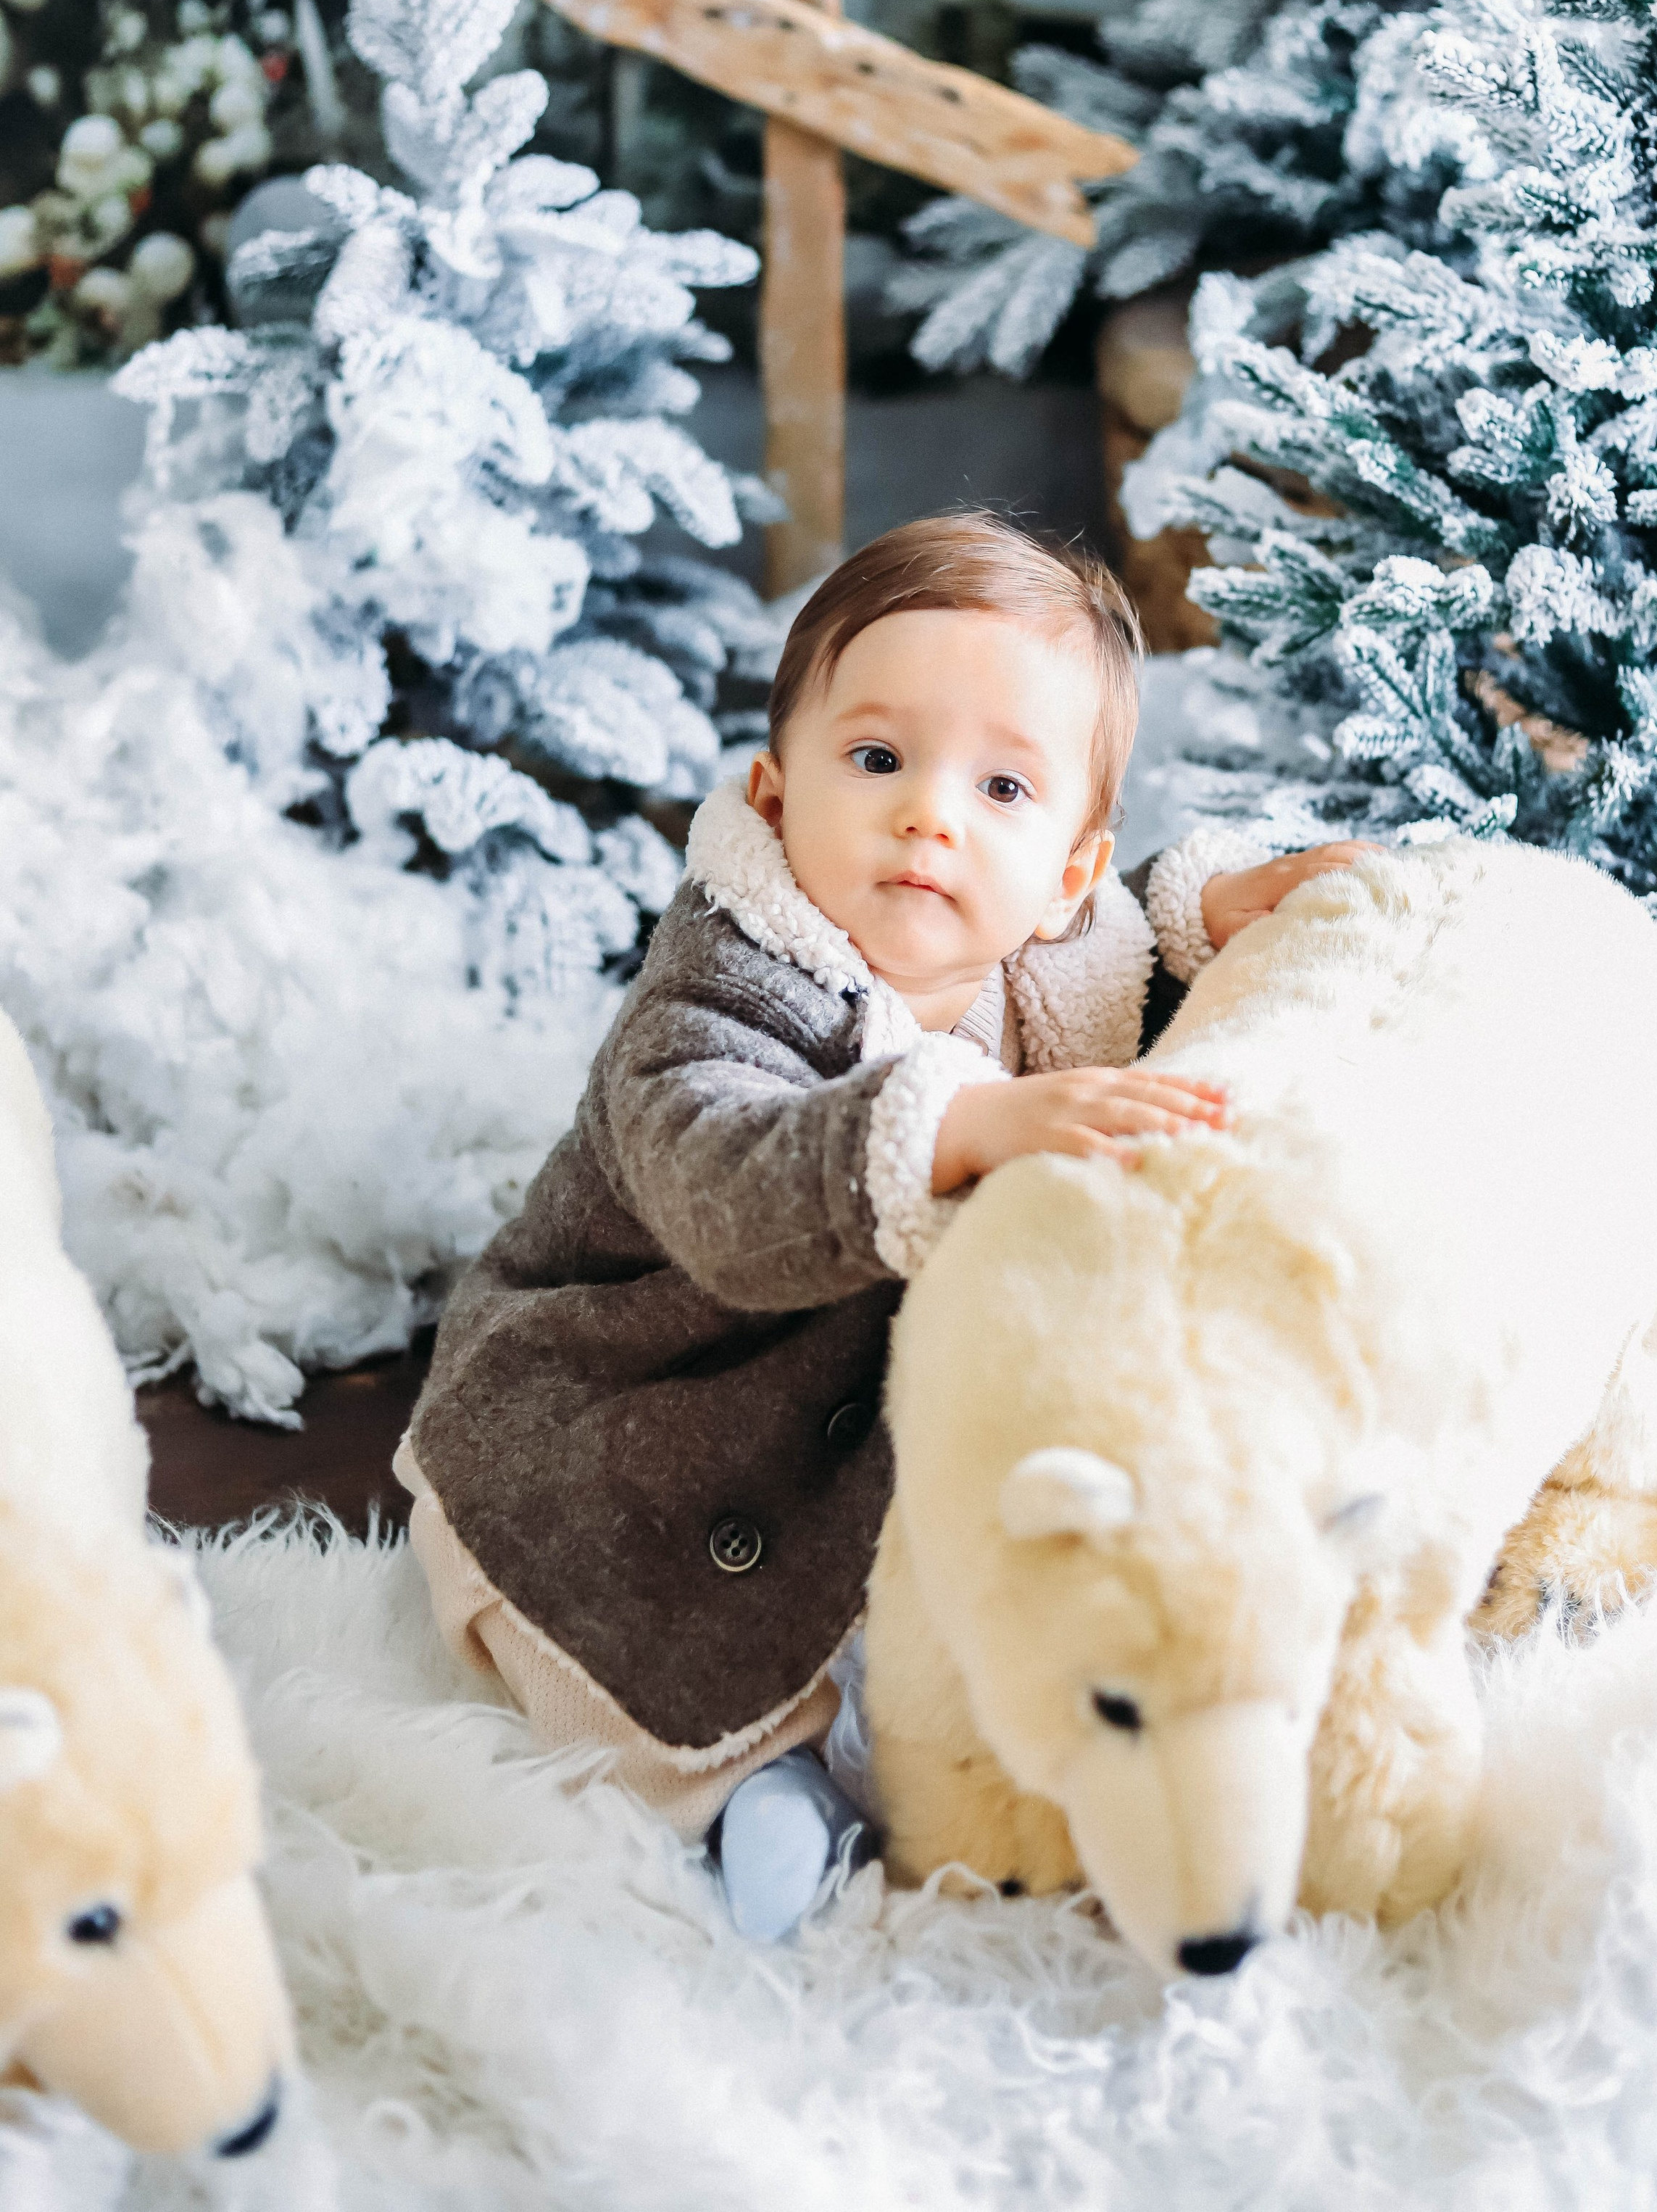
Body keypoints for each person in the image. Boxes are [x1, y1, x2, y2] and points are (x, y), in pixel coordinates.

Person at [396, 514, 1361, 1940]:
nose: (929, 816)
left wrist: (1213, 913)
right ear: (774, 794)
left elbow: (1132, 1003)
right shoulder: (723, 985)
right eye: (876, 759)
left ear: (1071, 871)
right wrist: (953, 1125)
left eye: (1001, 785)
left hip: (829, 1433)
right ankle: (748, 1790)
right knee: (699, 1671)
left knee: (981, 1586)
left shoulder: (1053, 955)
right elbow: (720, 1183)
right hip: (619, 1443)